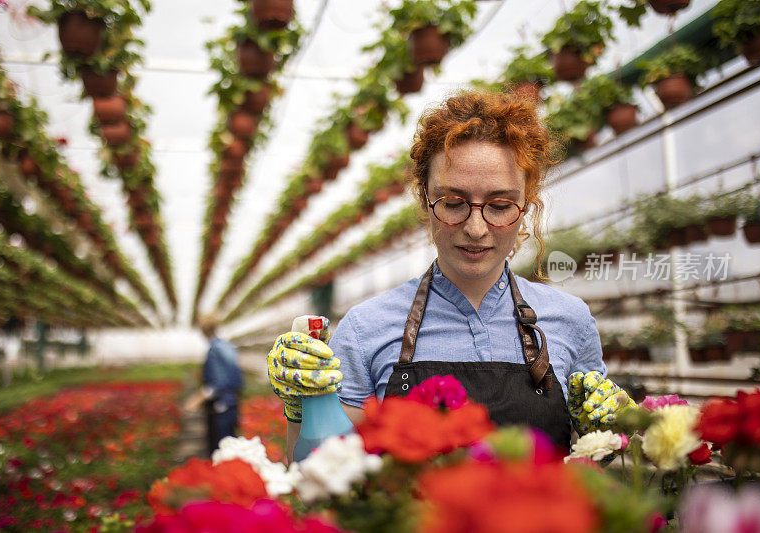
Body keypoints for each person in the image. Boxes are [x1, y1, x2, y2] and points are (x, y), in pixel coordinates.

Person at [268, 90, 635, 458]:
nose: (476, 228)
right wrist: (303, 407)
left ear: (525, 207)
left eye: (500, 205)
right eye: (453, 203)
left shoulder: (570, 320)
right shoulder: (365, 329)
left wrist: (614, 432)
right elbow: (318, 473)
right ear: (424, 201)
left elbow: (593, 467)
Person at [196, 313, 244, 456]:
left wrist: (199, 397)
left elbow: (218, 382)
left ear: (203, 330)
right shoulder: (226, 346)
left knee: (220, 449)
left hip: (221, 405)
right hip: (231, 403)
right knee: (230, 446)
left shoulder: (214, 350)